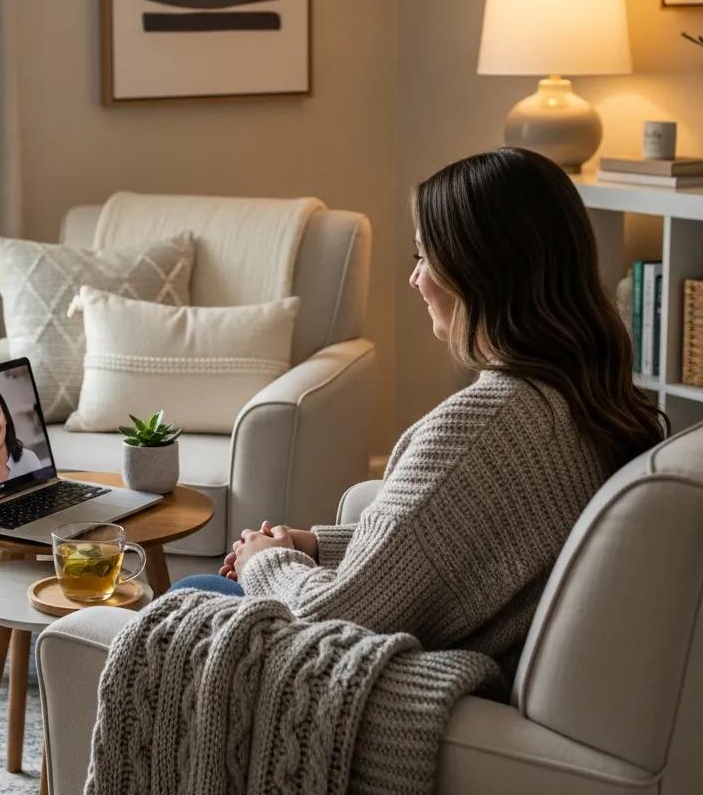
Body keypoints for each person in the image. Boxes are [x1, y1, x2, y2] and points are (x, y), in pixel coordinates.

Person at [171, 148, 667, 675]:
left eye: (423, 258)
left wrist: (266, 562)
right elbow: (453, 545)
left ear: (478, 271)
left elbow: (335, 615)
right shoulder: (583, 394)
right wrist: (314, 546)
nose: (415, 281)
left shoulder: (480, 428)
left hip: (436, 684)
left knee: (188, 598)